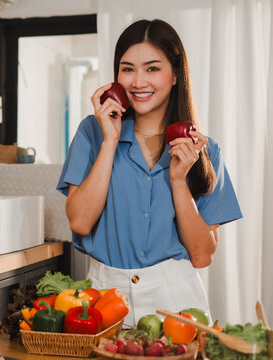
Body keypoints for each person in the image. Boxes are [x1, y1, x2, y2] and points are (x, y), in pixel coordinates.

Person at [56, 19, 242, 326]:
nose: (138, 82)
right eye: (128, 69)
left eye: (152, 68)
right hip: (104, 298)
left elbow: (201, 256)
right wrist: (110, 141)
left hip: (176, 303)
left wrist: (179, 180)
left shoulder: (203, 151)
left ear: (175, 75)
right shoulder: (93, 133)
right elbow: (80, 221)